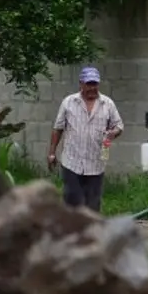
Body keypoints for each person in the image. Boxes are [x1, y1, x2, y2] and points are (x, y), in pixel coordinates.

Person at [48, 67, 124, 212]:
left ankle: (91, 233)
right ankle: (71, 232)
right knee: (72, 203)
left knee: (93, 206)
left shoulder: (107, 104)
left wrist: (113, 133)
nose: (92, 88)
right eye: (88, 84)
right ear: (81, 84)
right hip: (72, 162)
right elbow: (58, 128)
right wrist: (52, 153)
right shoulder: (69, 102)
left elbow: (119, 125)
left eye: (94, 84)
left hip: (96, 164)